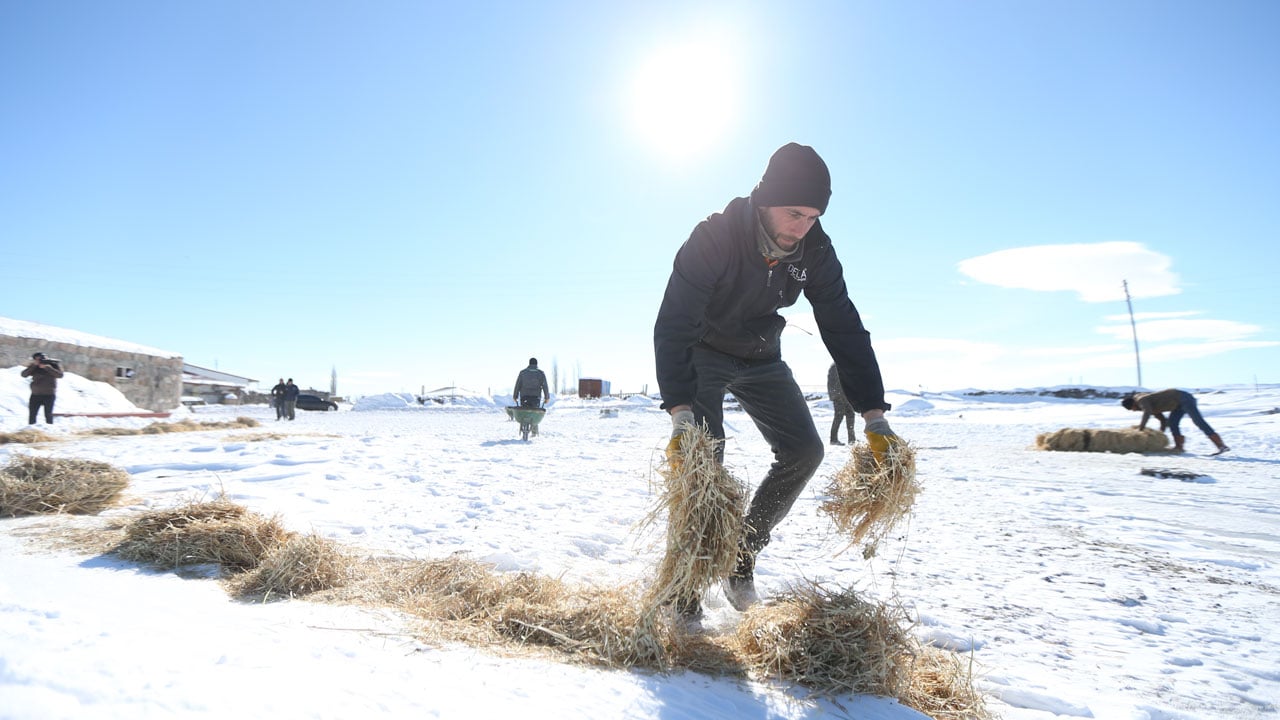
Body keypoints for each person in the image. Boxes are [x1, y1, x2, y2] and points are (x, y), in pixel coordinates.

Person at [654, 142, 900, 630]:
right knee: (704, 463)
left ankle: (740, 554)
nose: (802, 226)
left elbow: (843, 325)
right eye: (794, 213)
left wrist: (874, 413)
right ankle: (683, 586)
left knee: (805, 451)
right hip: (702, 350)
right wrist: (680, 411)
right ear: (765, 200)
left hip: (761, 354)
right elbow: (674, 322)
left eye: (812, 216)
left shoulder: (816, 248)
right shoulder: (715, 237)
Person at [1122, 388, 1229, 455]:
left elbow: (1147, 412)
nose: (1135, 411)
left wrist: (1141, 429)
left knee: (1198, 421)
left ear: (1133, 404)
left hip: (1183, 398)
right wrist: (1159, 436)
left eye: (1133, 409)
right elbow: (1163, 420)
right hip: (1177, 405)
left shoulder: (1142, 400)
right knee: (1172, 423)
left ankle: (1221, 446)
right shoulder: (1147, 405)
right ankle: (1179, 447)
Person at [22, 352, 65, 425]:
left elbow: (60, 375)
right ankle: (31, 429)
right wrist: (34, 366)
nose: (40, 361)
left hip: (49, 394)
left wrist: (47, 367)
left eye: (41, 359)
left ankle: (49, 430)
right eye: (37, 359)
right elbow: (24, 374)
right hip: (36, 394)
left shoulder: (53, 365)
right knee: (32, 414)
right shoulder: (34, 367)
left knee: (48, 414)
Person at [827, 363, 856, 445]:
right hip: (841, 396)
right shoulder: (837, 366)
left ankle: (851, 439)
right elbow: (838, 383)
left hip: (841, 395)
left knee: (849, 414)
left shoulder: (837, 365)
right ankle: (834, 439)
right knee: (839, 416)